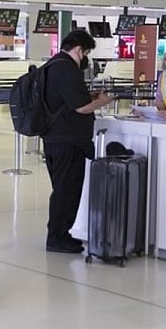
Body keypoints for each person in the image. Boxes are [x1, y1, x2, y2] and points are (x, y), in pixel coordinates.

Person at [42, 30, 114, 254]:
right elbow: (80, 107)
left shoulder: (52, 66)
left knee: (62, 189)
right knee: (67, 190)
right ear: (79, 49)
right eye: (86, 53)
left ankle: (60, 234)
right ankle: (57, 237)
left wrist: (89, 97)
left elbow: (69, 100)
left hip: (54, 138)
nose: (85, 58)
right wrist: (103, 101)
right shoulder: (67, 69)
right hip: (68, 140)